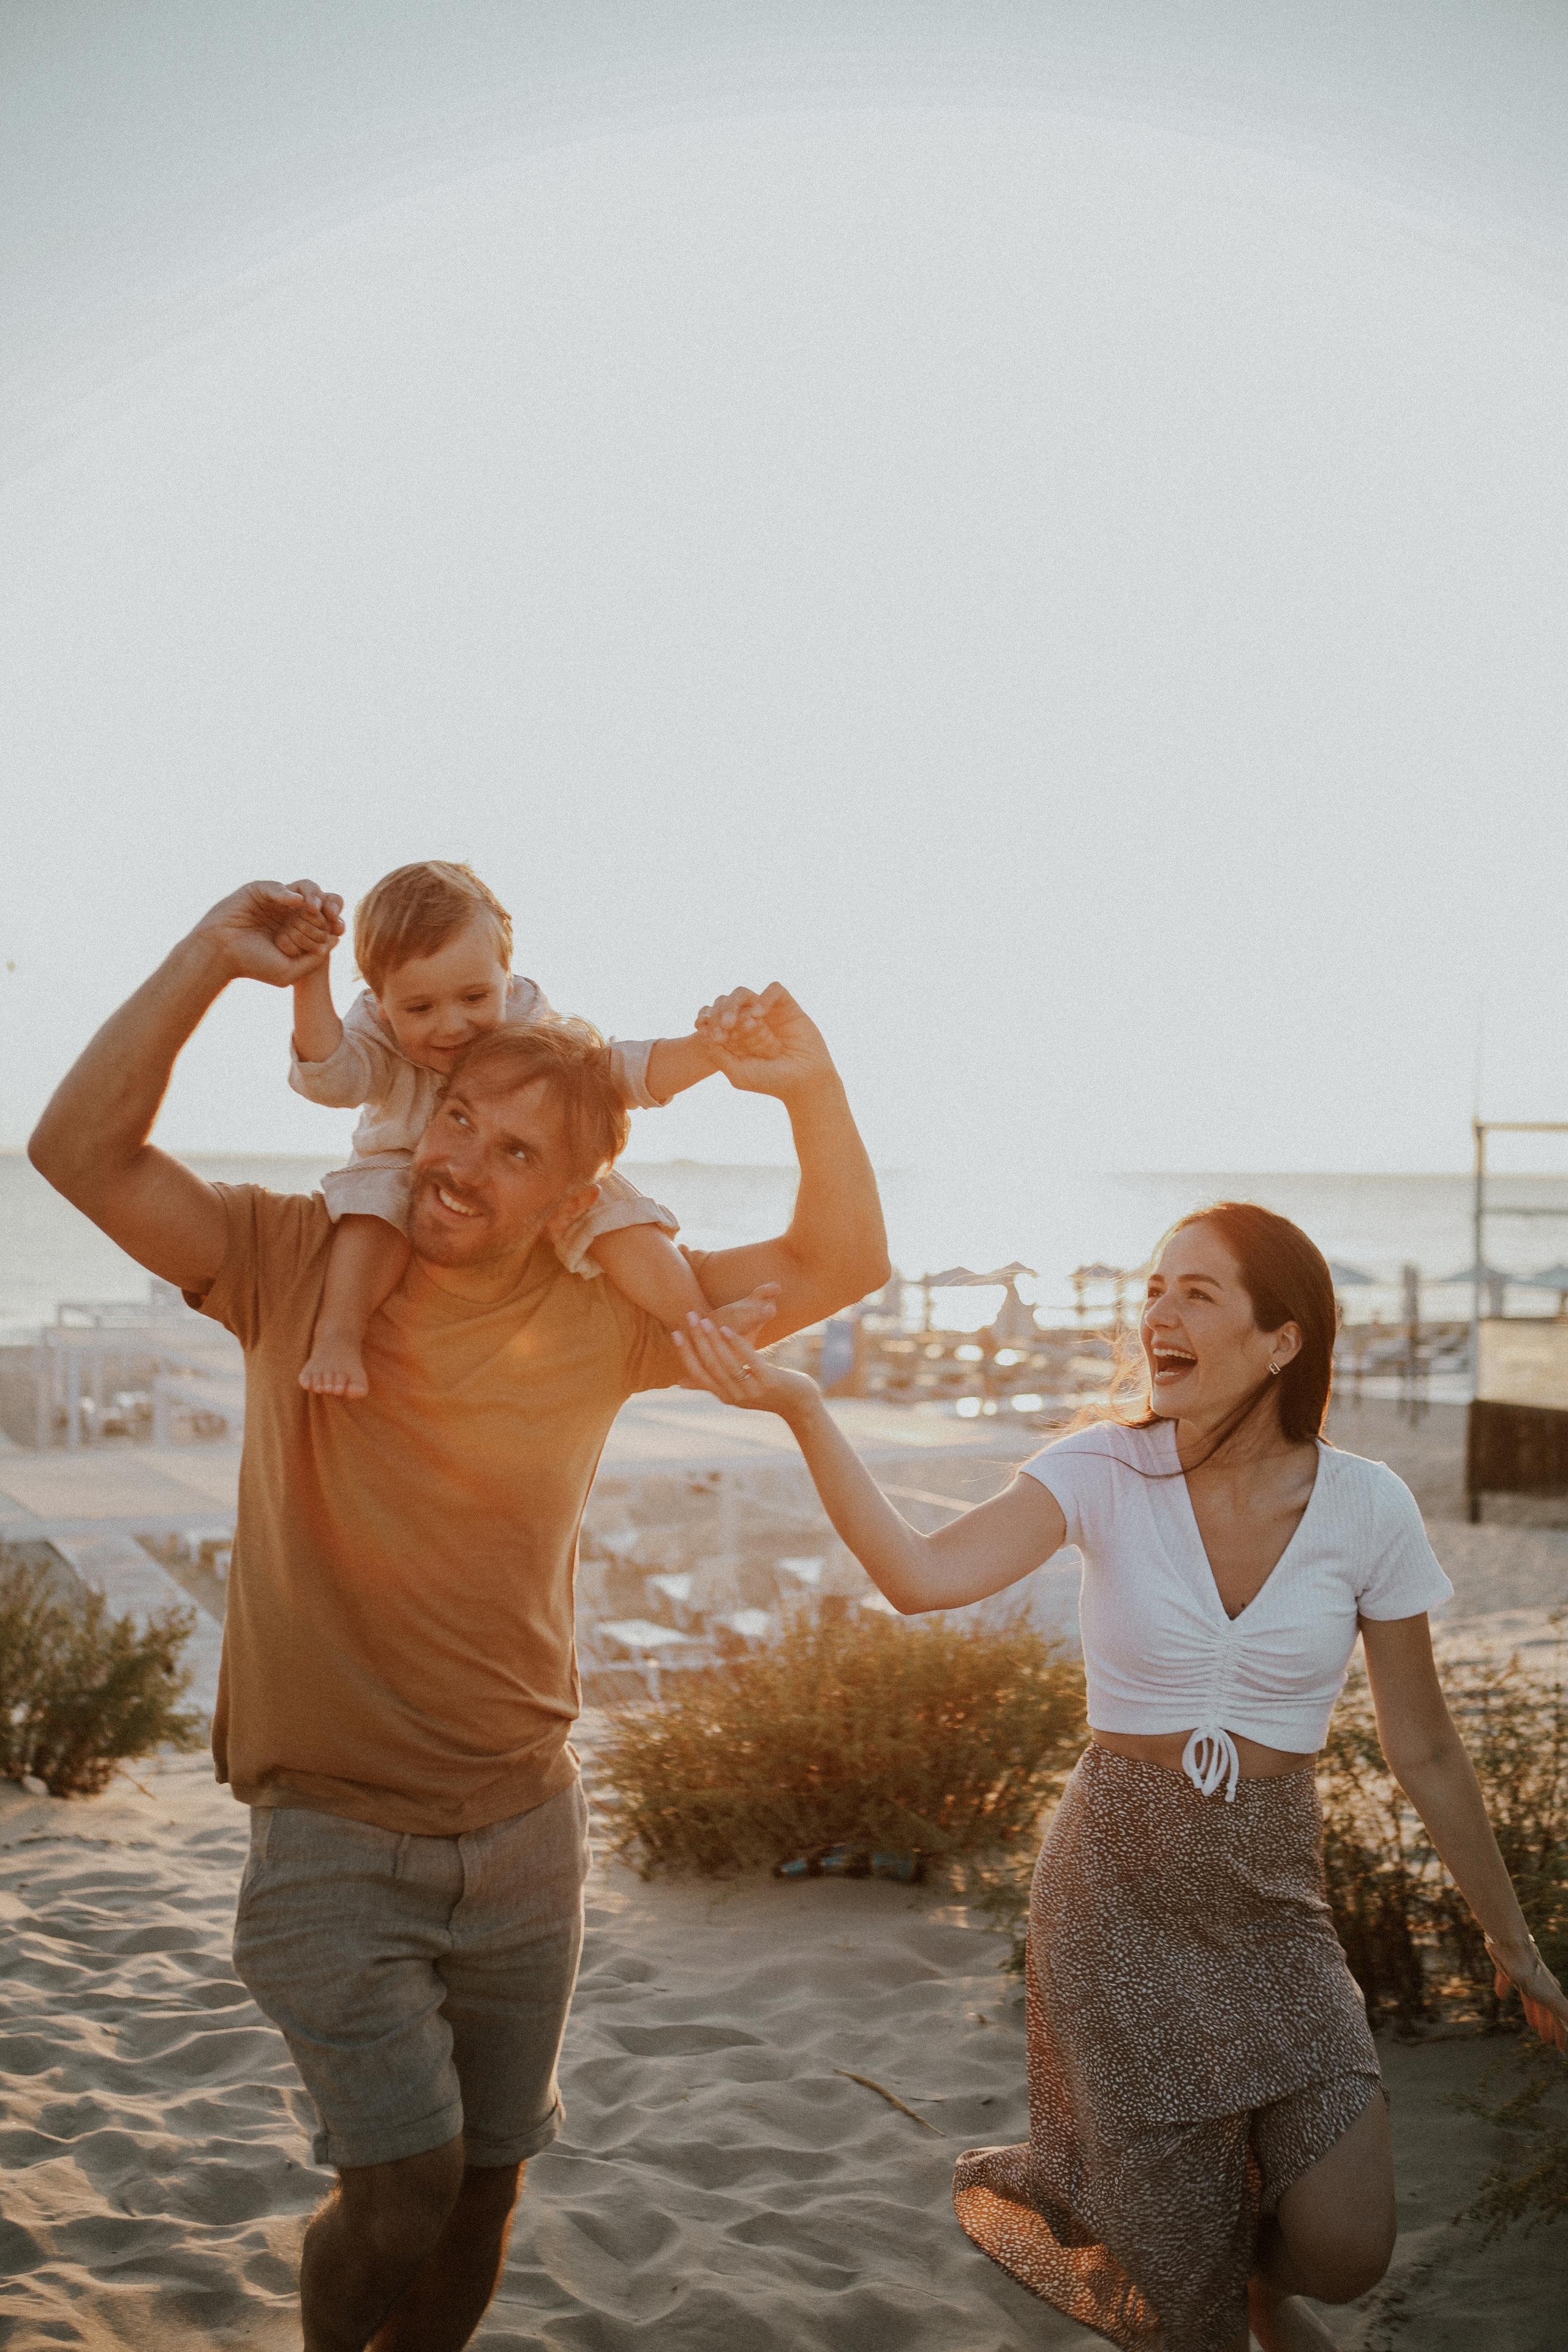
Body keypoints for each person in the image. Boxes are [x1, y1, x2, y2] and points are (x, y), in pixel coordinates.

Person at [27, 876, 889, 2352]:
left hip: (526, 1832)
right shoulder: (291, 1260)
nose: (459, 1162)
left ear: (576, 1196)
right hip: (328, 1839)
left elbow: (837, 1263)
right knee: (403, 2186)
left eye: (510, 1151)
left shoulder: (608, 1308)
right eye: (451, 1119)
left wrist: (809, 1089)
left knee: (486, 2193)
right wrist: (203, 964)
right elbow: (77, 1151)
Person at [672, 1200, 1568, 2352]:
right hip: (1116, 1901)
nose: (1159, 1312)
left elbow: (1428, 1746)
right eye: (1154, 1288)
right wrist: (804, 1410)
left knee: (1349, 2248)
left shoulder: (1369, 1507)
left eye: (1197, 1293)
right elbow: (920, 1574)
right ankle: (1195, 2267)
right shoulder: (1099, 1470)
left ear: (1281, 1339)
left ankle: (1247, 2278)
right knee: (1178, 2313)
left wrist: (1513, 1945)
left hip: (1271, 1906)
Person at [289, 859, 771, 1399]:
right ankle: (338, 1334)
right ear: (381, 1007)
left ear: (507, 979)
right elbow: (330, 1079)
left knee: (614, 1205)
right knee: (373, 1206)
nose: (452, 1025)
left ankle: (697, 1328)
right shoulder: (376, 1036)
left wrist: (710, 1050)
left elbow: (614, 1073)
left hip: (520, 1179)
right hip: (404, 1161)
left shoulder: (527, 1026)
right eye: (420, 1007)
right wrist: (310, 975)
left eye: (474, 998)